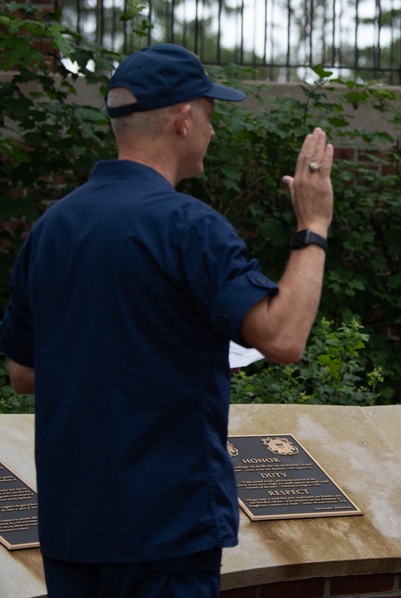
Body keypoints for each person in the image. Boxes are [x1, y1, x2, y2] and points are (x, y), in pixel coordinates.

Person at [0, 43, 334, 597]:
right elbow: (283, 336)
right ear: (184, 118)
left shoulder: (51, 229)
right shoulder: (188, 227)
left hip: (71, 525)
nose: (213, 131)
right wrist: (313, 225)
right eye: (210, 113)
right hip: (166, 530)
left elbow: (24, 372)